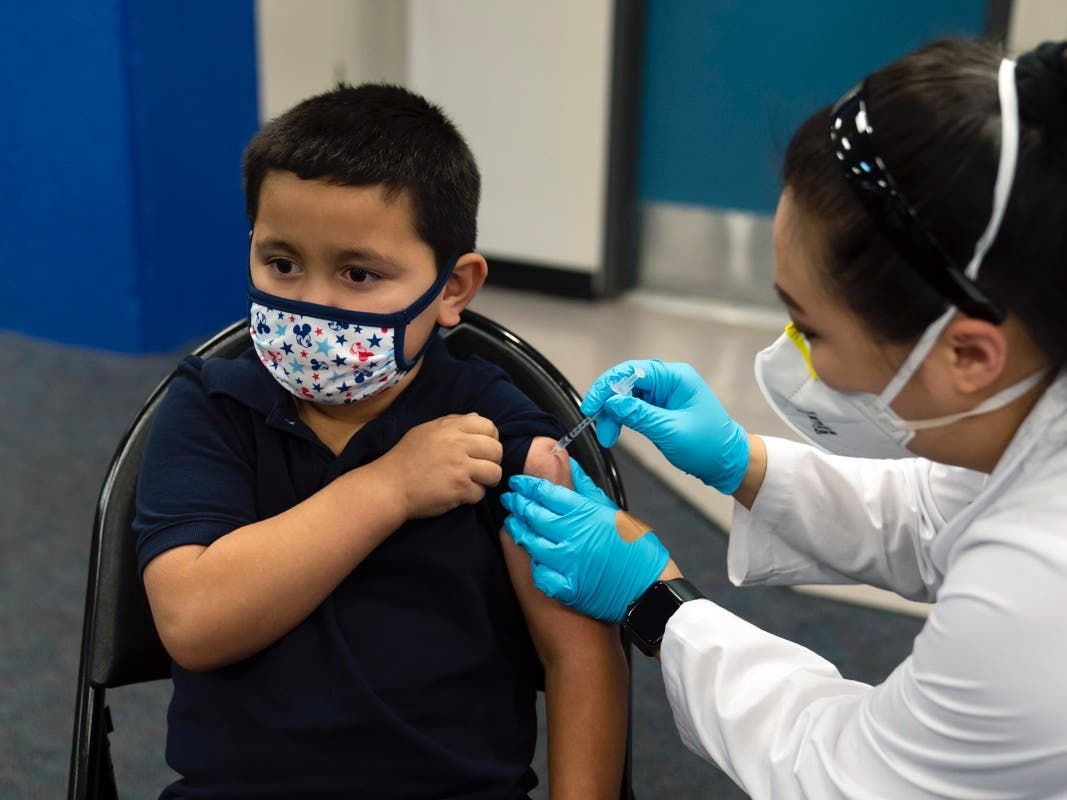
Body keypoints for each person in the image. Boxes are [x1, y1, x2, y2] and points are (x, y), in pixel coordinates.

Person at [502, 37, 1067, 798]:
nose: (793, 354)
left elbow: (843, 777)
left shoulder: (1041, 589)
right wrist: (741, 462)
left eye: (811, 328)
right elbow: (942, 518)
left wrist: (655, 600)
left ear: (967, 355)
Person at [133, 83, 629, 799]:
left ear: (454, 288)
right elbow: (195, 620)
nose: (312, 303)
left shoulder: (505, 434)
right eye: (281, 263)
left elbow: (580, 655)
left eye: (358, 273)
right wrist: (388, 488)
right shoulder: (210, 408)